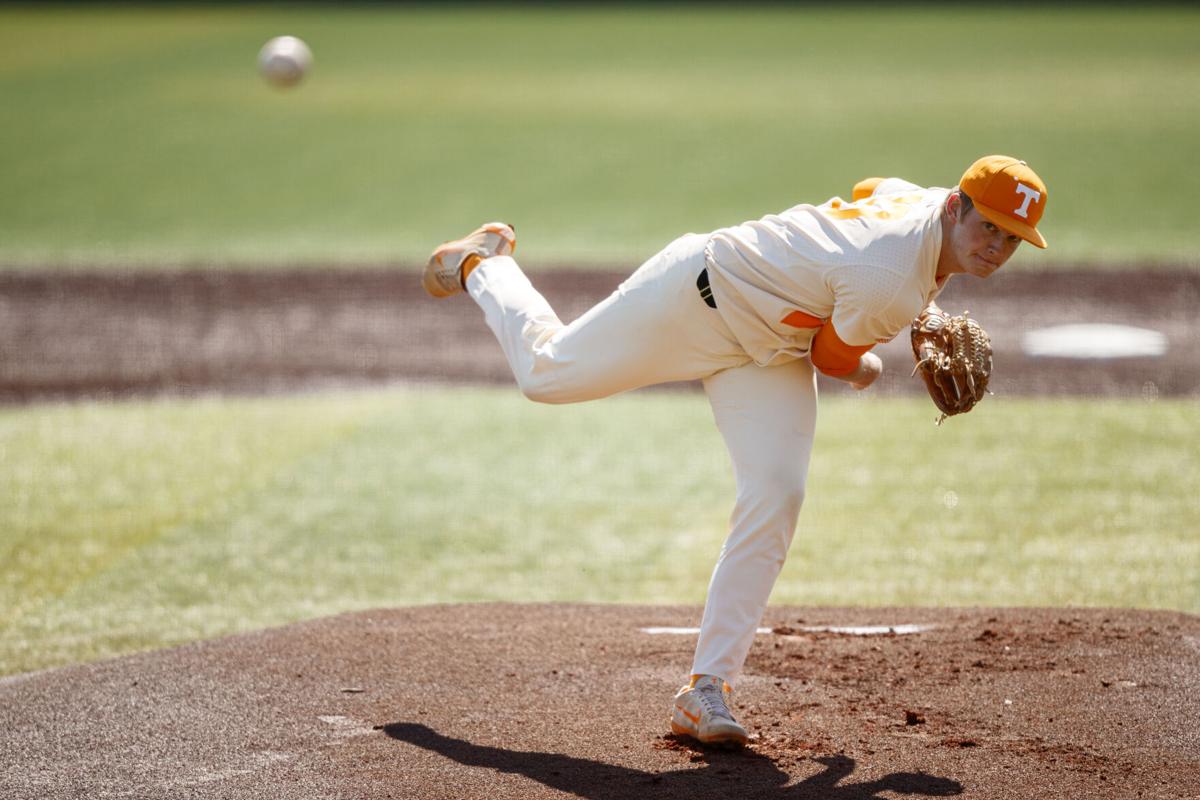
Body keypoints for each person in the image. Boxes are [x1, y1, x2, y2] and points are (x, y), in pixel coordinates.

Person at [422, 155, 1048, 747]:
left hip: (768, 351)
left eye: (1012, 238)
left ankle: (705, 691)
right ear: (954, 209)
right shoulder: (888, 281)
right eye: (988, 227)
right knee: (545, 375)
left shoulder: (920, 207)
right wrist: (872, 367)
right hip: (693, 299)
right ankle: (486, 263)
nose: (995, 247)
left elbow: (870, 187)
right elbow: (835, 359)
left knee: (777, 492)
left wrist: (866, 291)